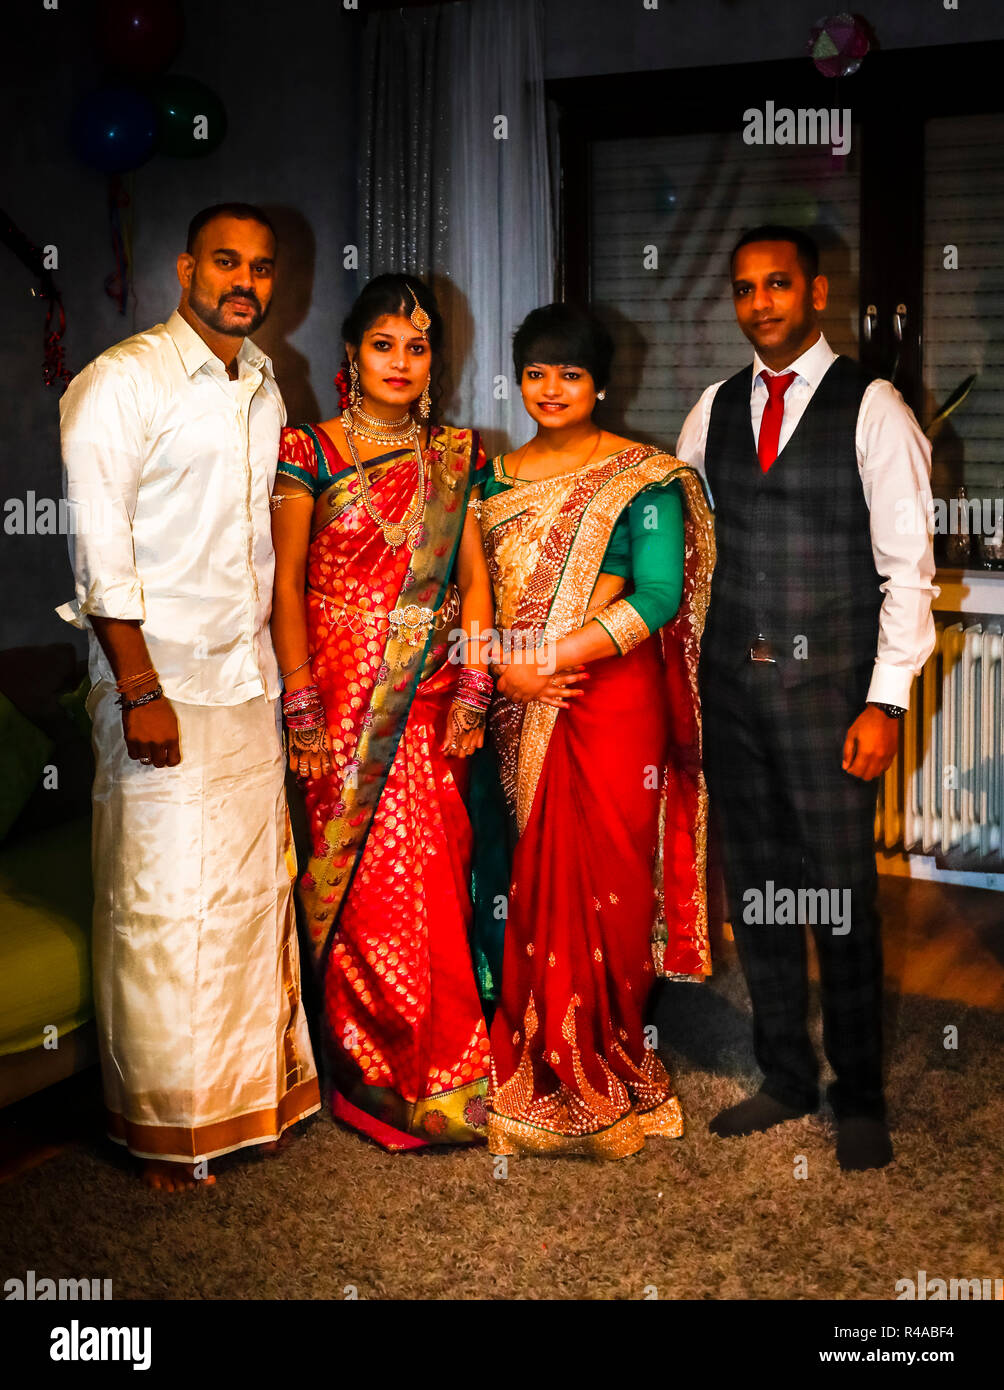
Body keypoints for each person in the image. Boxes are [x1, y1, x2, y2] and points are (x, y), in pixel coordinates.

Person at [58, 203, 320, 1192]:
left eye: (260, 266)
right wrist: (137, 688)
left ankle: (244, 1105)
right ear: (185, 266)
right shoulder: (121, 383)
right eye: (225, 261)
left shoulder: (263, 384)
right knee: (162, 906)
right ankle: (164, 1128)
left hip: (242, 677)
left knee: (251, 893)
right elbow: (99, 551)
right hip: (154, 678)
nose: (244, 280)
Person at [676, 225, 938, 1171]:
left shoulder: (874, 408)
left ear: (815, 293)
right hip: (733, 695)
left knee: (840, 897)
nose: (761, 304)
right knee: (762, 893)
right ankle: (785, 1075)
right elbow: (692, 551)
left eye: (777, 285)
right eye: (745, 289)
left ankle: (858, 1093)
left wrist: (888, 703)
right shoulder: (710, 410)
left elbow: (909, 573)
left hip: (834, 698)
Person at [474, 303, 715, 1160]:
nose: (550, 388)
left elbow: (656, 598)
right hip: (519, 698)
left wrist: (544, 654)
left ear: (601, 383)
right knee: (527, 866)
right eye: (536, 372)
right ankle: (537, 1048)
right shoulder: (491, 481)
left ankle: (607, 1050)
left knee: (613, 874)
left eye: (569, 374)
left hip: (609, 699)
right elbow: (465, 598)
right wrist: (508, 670)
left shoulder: (642, 479)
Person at [270, 274, 495, 1150]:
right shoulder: (309, 449)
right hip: (336, 700)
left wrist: (476, 688)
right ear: (351, 359)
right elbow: (284, 583)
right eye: (384, 345)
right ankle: (372, 1068)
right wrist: (300, 706)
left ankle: (447, 1066)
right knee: (359, 887)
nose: (402, 362)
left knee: (433, 881)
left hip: (427, 699)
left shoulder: (456, 456)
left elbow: (474, 584)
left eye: (418, 346)